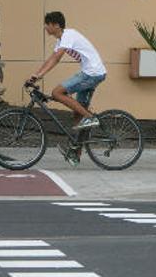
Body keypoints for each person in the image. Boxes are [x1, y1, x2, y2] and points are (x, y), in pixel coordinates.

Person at [29, 11, 107, 166]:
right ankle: (76, 155)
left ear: (56, 25)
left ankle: (91, 118)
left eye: (47, 24)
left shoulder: (69, 35)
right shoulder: (61, 40)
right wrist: (37, 74)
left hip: (92, 73)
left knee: (57, 92)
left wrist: (39, 76)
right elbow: (52, 58)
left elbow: (57, 58)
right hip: (93, 72)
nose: (45, 27)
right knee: (78, 116)